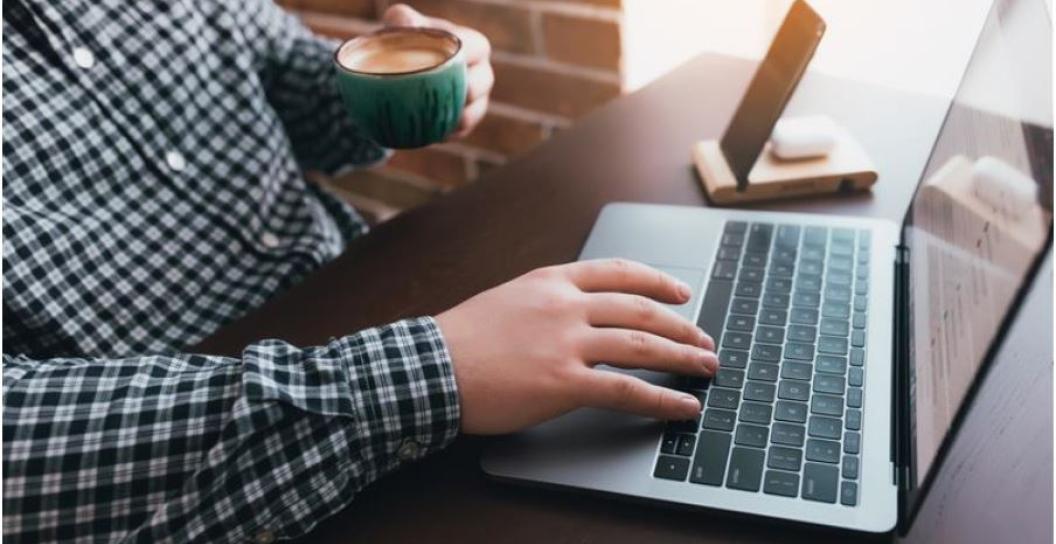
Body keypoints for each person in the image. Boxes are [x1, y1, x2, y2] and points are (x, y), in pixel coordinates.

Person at [1, 1, 720, 541]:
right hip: (217, 455)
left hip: (386, 306)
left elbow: (307, 96)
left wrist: (414, 82)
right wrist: (426, 374)